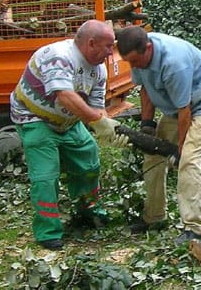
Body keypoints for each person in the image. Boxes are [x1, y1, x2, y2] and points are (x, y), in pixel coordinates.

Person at [10, 20, 129, 250]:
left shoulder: (99, 69)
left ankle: (88, 209)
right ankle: (48, 232)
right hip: (35, 119)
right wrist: (96, 121)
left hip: (69, 121)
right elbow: (64, 95)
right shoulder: (60, 56)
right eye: (107, 47)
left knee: (88, 158)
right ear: (91, 43)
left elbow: (96, 105)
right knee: (46, 176)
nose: (109, 53)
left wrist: (104, 125)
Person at [116, 26, 201, 245]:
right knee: (153, 156)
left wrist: (180, 148)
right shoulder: (136, 55)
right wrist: (147, 124)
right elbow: (145, 90)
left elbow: (185, 111)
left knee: (188, 160)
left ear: (148, 48)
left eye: (136, 61)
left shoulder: (174, 63)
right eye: (130, 62)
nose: (134, 66)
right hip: (174, 107)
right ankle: (154, 216)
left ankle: (195, 227)